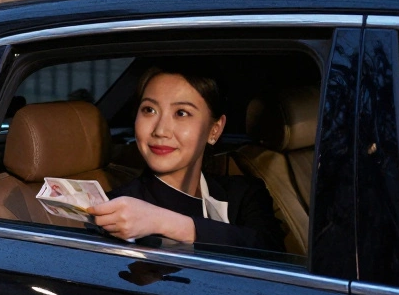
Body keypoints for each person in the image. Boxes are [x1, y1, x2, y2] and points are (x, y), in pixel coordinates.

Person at [87, 64, 286, 252]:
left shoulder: (244, 193)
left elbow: (274, 254)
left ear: (214, 130)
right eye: (149, 110)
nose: (161, 130)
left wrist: (170, 224)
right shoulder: (117, 211)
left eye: (181, 113)